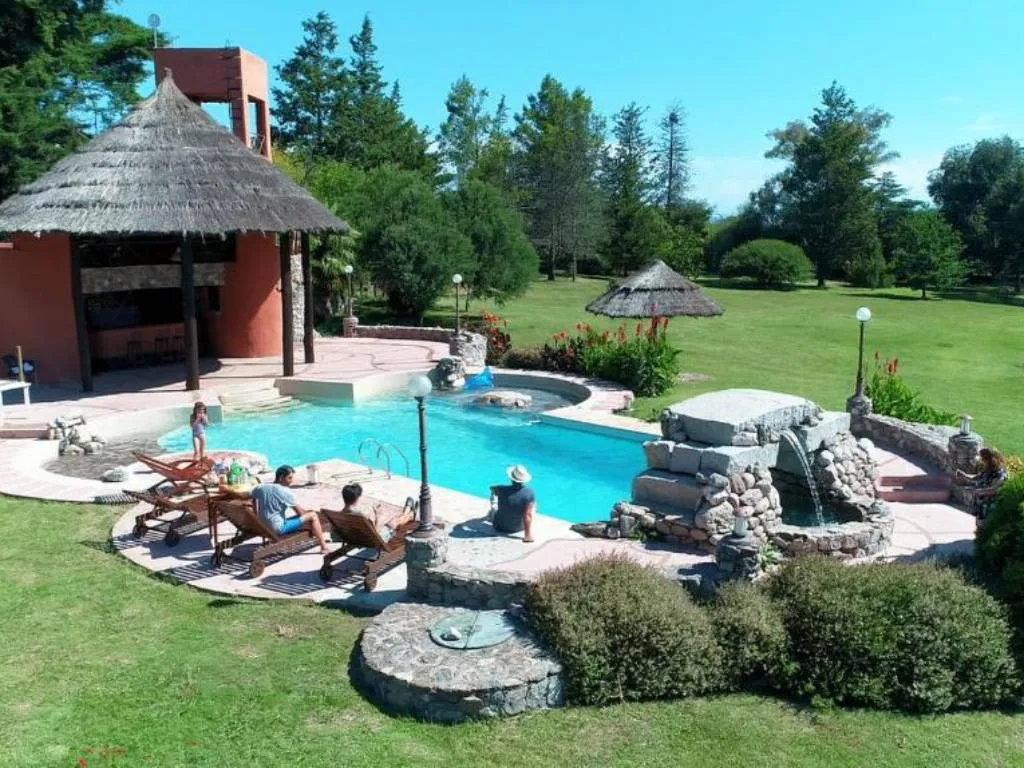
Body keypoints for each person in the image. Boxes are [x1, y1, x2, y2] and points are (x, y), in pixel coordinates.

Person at [223, 465, 329, 554]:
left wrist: (227, 490)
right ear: (281, 477)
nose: (292, 481)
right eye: (290, 478)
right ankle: (324, 547)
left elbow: (244, 496)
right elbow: (300, 513)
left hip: (261, 526)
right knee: (313, 516)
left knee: (301, 515)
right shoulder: (285, 492)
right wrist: (309, 512)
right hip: (277, 528)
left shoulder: (261, 487)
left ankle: (319, 538)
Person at [341, 483, 414, 541]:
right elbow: (375, 533)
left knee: (392, 521)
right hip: (373, 540)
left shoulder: (340, 514)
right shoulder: (360, 516)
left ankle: (408, 511)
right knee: (394, 522)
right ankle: (410, 513)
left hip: (355, 539)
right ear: (356, 498)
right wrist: (377, 515)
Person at [957, 448, 1008, 521]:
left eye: (983, 459)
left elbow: (994, 490)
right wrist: (964, 475)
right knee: (978, 523)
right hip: (980, 504)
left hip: (989, 506)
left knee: (985, 524)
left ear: (991, 460)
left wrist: (976, 491)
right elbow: (976, 477)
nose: (982, 461)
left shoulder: (1000, 474)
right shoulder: (988, 470)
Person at [489, 464, 536, 543]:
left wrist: (496, 490)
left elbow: (491, 488)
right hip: (518, 528)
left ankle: (491, 514)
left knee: (494, 500)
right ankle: (527, 535)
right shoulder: (529, 493)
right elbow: (528, 515)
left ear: (511, 478)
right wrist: (527, 536)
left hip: (498, 526)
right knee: (532, 506)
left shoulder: (501, 489)